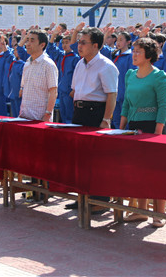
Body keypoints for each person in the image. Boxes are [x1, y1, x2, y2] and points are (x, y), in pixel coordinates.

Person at [65, 26, 119, 212]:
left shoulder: (106, 66)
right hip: (80, 112)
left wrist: (106, 119)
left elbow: (112, 94)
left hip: (96, 113)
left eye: (83, 42)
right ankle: (82, 196)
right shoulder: (80, 64)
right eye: (79, 42)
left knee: (97, 159)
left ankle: (99, 201)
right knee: (80, 158)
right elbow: (74, 90)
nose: (79, 46)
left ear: (95, 45)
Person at [119, 37, 166, 228]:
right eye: (133, 51)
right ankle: (141, 211)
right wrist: (120, 129)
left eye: (138, 52)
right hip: (133, 127)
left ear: (148, 56)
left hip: (151, 128)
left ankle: (159, 214)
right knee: (137, 170)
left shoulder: (159, 76)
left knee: (156, 172)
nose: (134, 55)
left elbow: (163, 105)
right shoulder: (130, 75)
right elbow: (126, 103)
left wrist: (157, 133)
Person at [18, 30, 58, 121]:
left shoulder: (48, 65)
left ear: (42, 45)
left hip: (40, 119)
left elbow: (53, 92)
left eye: (32, 41)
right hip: (24, 116)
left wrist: (47, 114)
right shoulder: (27, 63)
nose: (27, 44)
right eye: (27, 40)